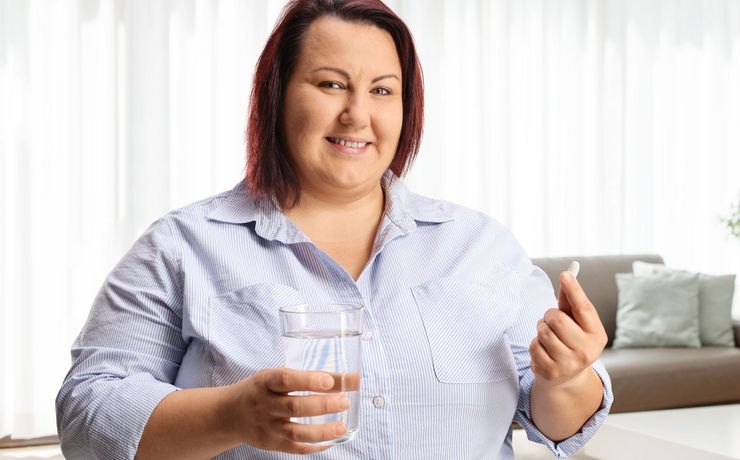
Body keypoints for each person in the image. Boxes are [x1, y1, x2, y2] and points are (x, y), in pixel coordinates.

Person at [56, 0, 613, 458]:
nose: (356, 115)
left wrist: (564, 378)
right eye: (330, 84)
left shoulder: (479, 246)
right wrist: (232, 414)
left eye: (382, 90)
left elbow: (558, 423)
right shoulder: (181, 246)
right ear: (277, 97)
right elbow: (87, 411)